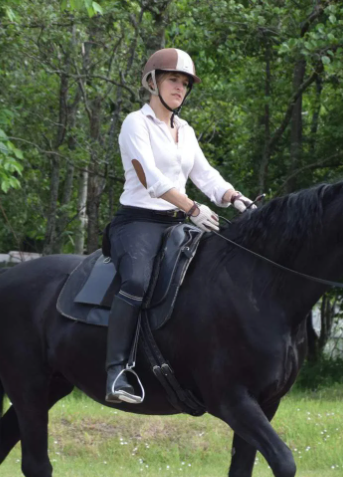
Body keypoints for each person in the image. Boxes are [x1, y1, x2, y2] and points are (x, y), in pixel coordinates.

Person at [105, 47, 256, 404]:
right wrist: (192, 208)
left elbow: (205, 174)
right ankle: (116, 372)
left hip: (179, 223)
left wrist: (235, 197)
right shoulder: (135, 124)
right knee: (137, 281)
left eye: (185, 83)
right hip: (139, 221)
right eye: (173, 79)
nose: (180, 88)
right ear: (152, 82)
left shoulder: (185, 130)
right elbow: (150, 177)